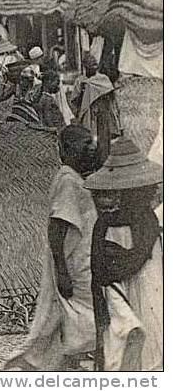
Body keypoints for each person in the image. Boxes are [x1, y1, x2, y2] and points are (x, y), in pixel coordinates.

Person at [6, 125, 97, 371]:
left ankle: (60, 362)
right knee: (81, 316)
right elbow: (56, 229)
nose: (91, 149)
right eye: (85, 144)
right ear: (67, 150)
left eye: (92, 143)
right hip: (72, 263)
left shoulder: (77, 179)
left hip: (80, 260)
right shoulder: (68, 181)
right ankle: (70, 361)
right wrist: (62, 270)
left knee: (70, 317)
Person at [84, 138, 162, 371]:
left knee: (143, 335)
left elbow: (109, 266)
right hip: (146, 282)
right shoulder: (138, 220)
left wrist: (113, 268)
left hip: (142, 282)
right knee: (148, 336)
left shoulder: (121, 222)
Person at [69, 53, 121, 165]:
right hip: (87, 114)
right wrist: (83, 91)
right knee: (89, 138)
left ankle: (104, 162)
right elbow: (74, 101)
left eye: (94, 65)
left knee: (103, 139)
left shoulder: (103, 79)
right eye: (90, 66)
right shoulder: (80, 81)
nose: (93, 68)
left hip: (102, 114)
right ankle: (92, 164)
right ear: (85, 67)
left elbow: (111, 98)